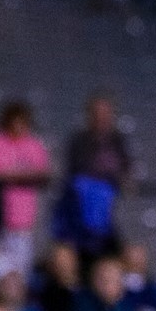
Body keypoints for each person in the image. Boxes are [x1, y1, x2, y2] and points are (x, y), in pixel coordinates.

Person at [59, 96, 131, 257]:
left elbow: (126, 169)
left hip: (111, 207)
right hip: (82, 209)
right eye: (97, 113)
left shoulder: (117, 141)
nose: (101, 118)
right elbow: (77, 168)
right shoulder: (79, 140)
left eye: (105, 113)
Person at [0, 102, 52, 254]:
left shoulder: (33, 144)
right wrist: (24, 175)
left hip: (25, 218)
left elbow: (44, 173)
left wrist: (12, 174)